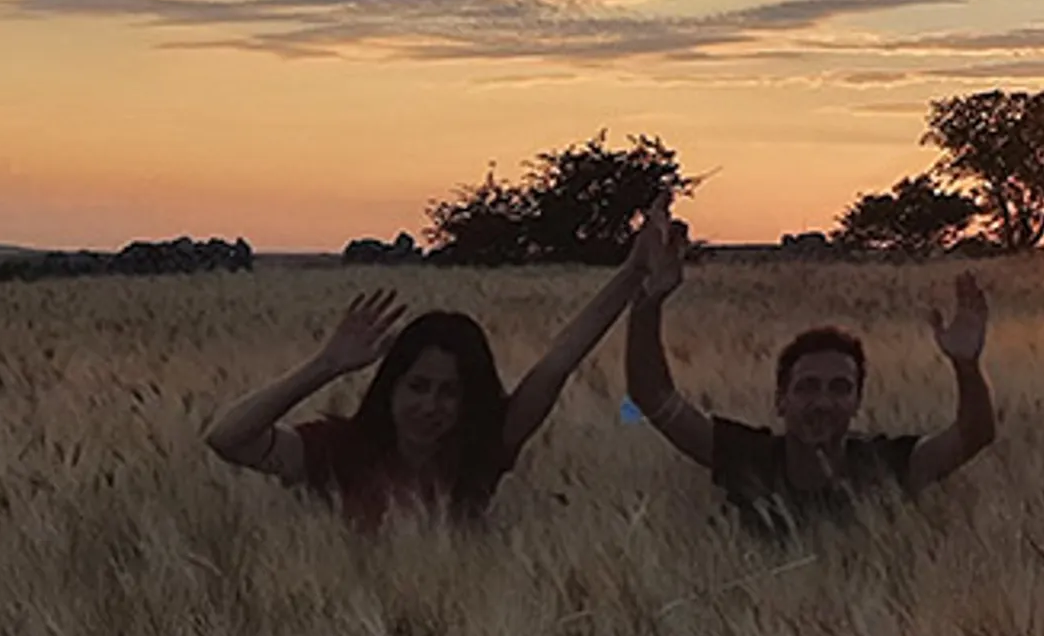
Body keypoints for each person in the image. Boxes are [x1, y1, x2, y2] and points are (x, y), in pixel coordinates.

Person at [621, 208, 996, 533]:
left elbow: (973, 436)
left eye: (839, 388)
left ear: (857, 401)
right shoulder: (748, 457)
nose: (822, 401)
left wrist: (966, 366)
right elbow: (653, 398)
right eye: (807, 387)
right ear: (780, 399)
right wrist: (648, 302)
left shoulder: (885, 465)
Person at [205, 255, 644, 531]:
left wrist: (634, 271)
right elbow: (228, 437)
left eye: (449, 393)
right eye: (417, 386)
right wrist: (326, 365)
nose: (430, 406)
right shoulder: (335, 451)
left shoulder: (483, 453)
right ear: (389, 386)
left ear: (468, 402)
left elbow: (559, 360)